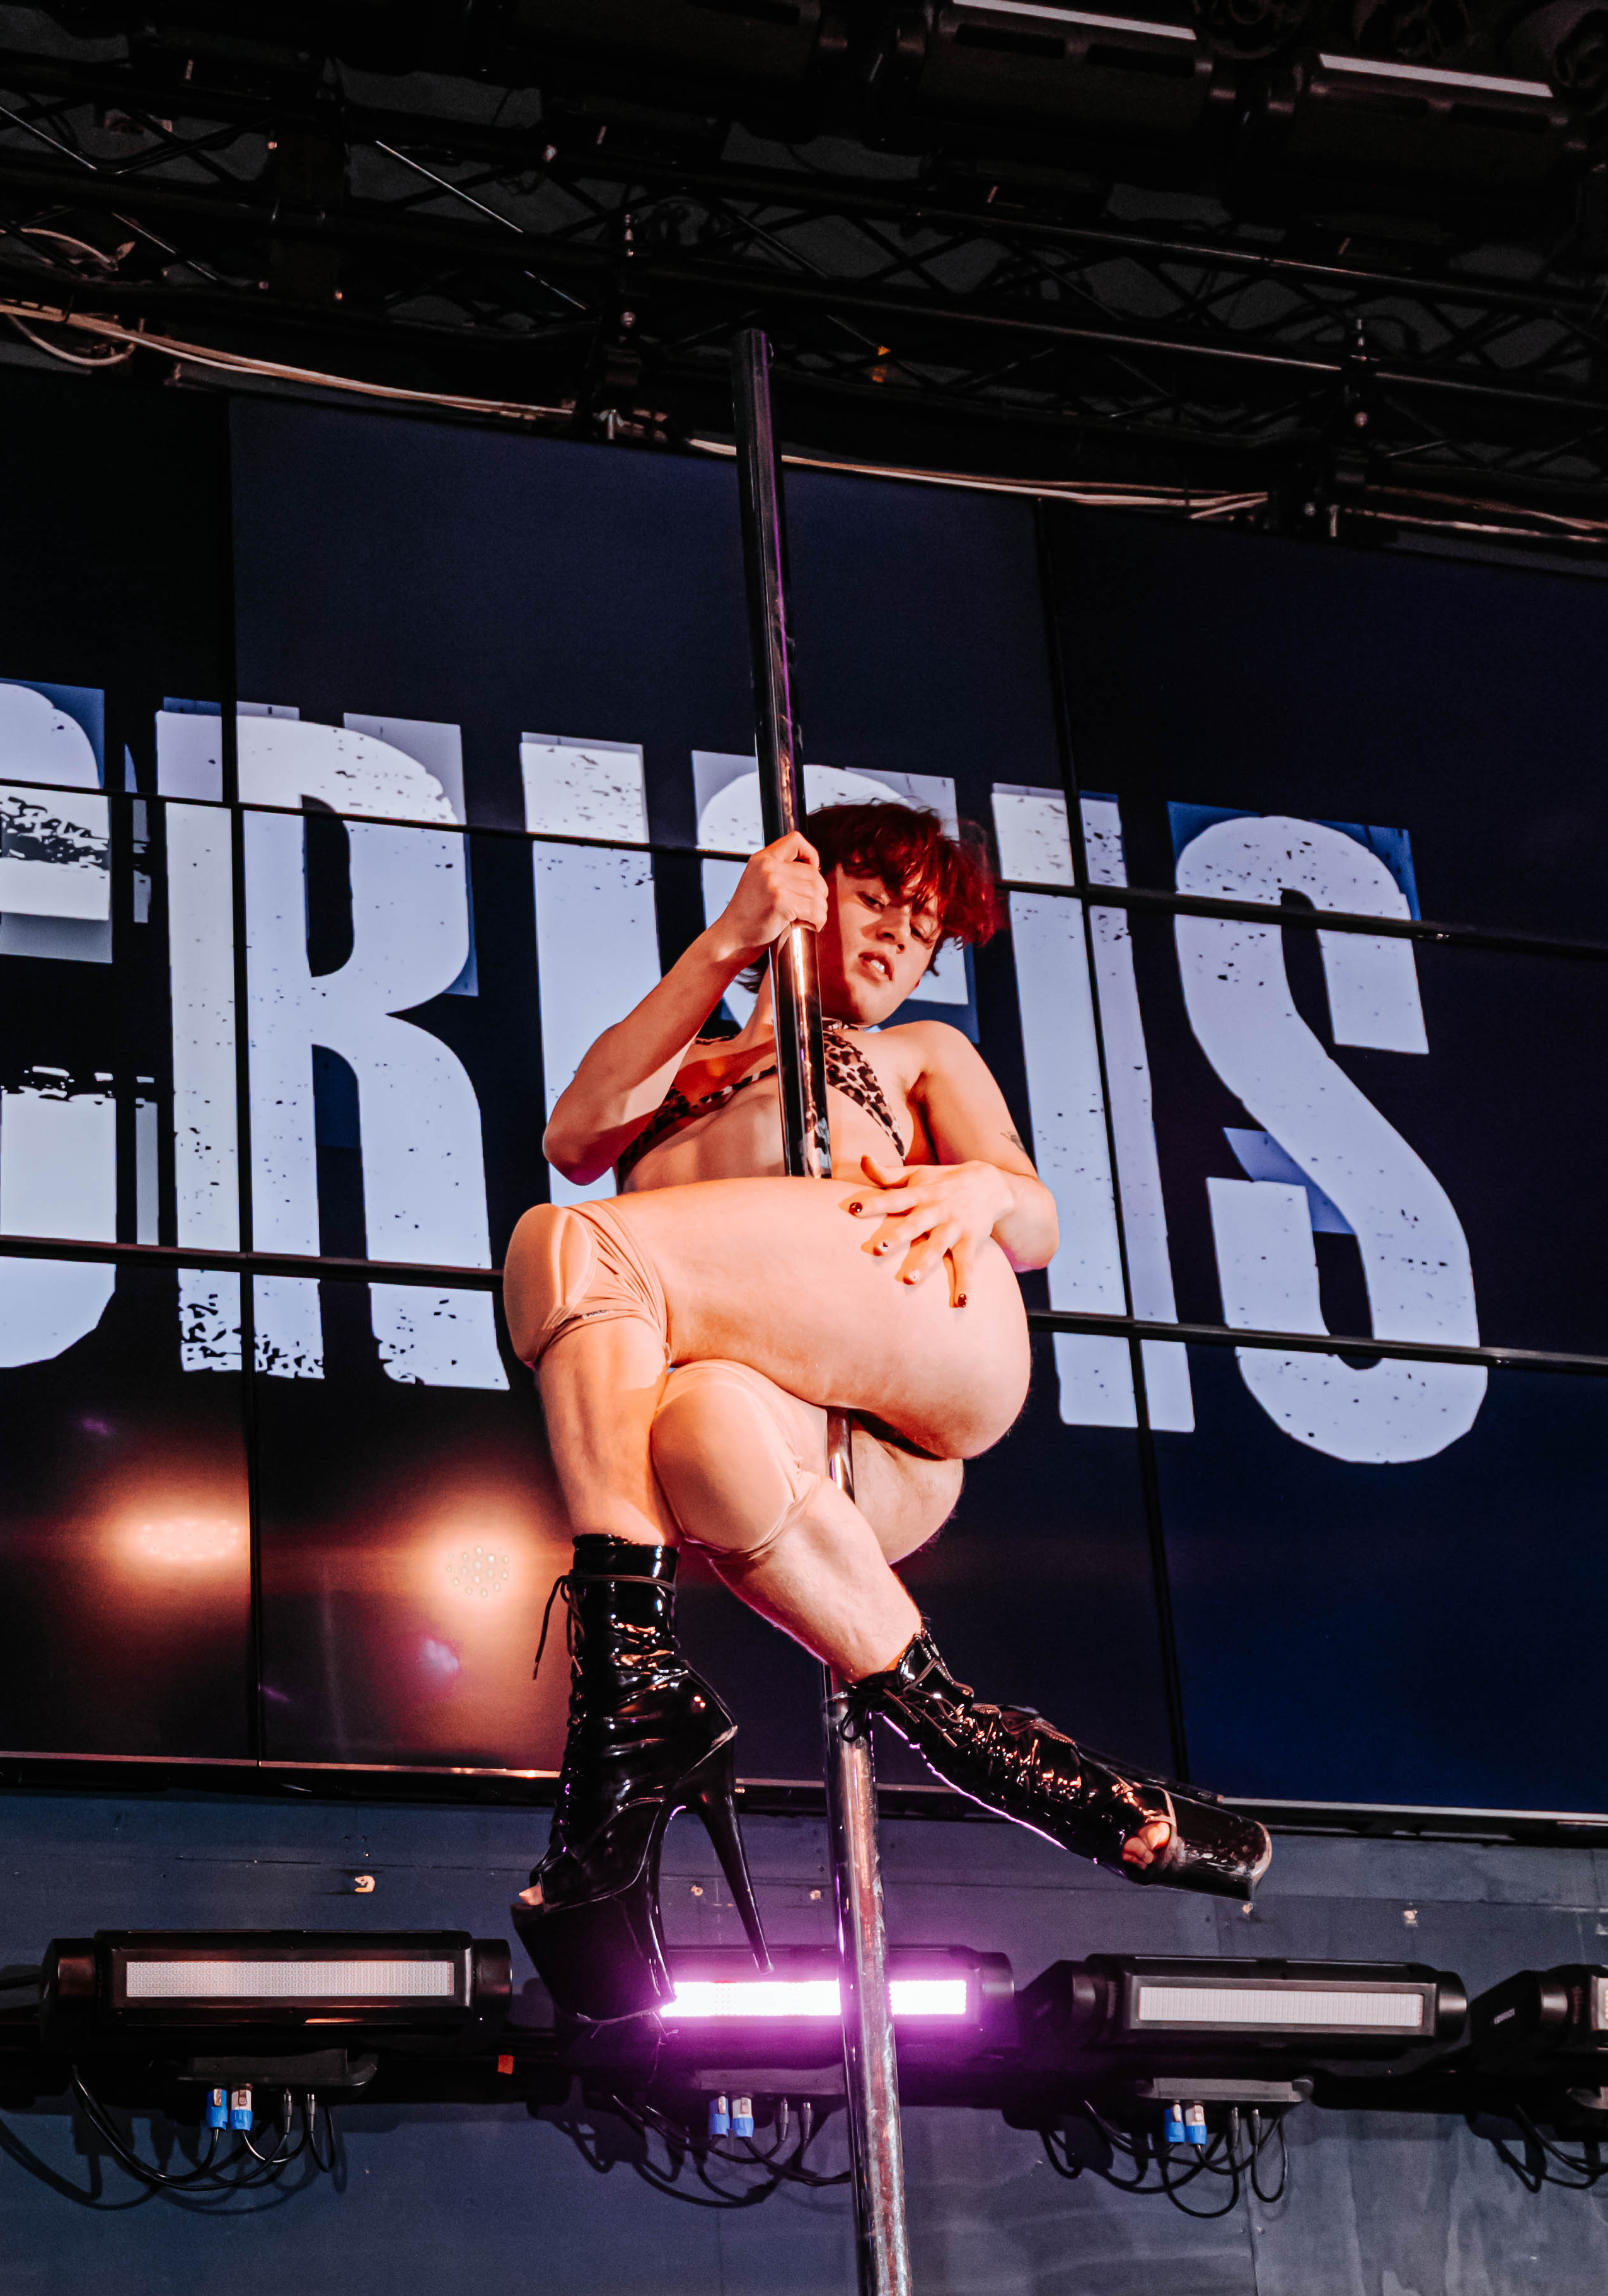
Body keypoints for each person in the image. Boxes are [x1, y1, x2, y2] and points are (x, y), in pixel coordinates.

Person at [503, 802, 1270, 2020]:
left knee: (570, 1247)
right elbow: (576, 1131)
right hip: (785, 1434)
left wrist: (982, 1189)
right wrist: (730, 939)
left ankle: (627, 1693)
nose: (900, 938)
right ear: (806, 892)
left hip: (920, 1340)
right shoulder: (686, 1065)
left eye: (923, 930)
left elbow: (1036, 1220)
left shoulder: (916, 1053)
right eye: (877, 901)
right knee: (695, 1426)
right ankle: (981, 1743)